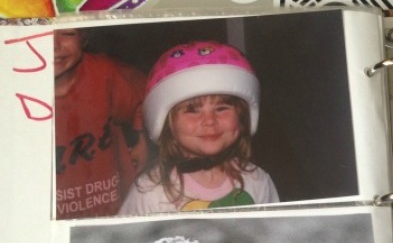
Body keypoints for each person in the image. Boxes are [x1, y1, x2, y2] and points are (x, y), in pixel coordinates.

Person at [119, 40, 279, 215]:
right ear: (165, 121)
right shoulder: (149, 193)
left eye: (221, 108)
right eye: (192, 110)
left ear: (243, 115)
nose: (210, 121)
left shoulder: (258, 181)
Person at [55, 28, 148, 219]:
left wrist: (142, 138)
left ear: (84, 39)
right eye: (39, 35)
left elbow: (148, 93)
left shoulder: (104, 72)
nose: (53, 46)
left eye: (68, 33)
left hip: (114, 208)